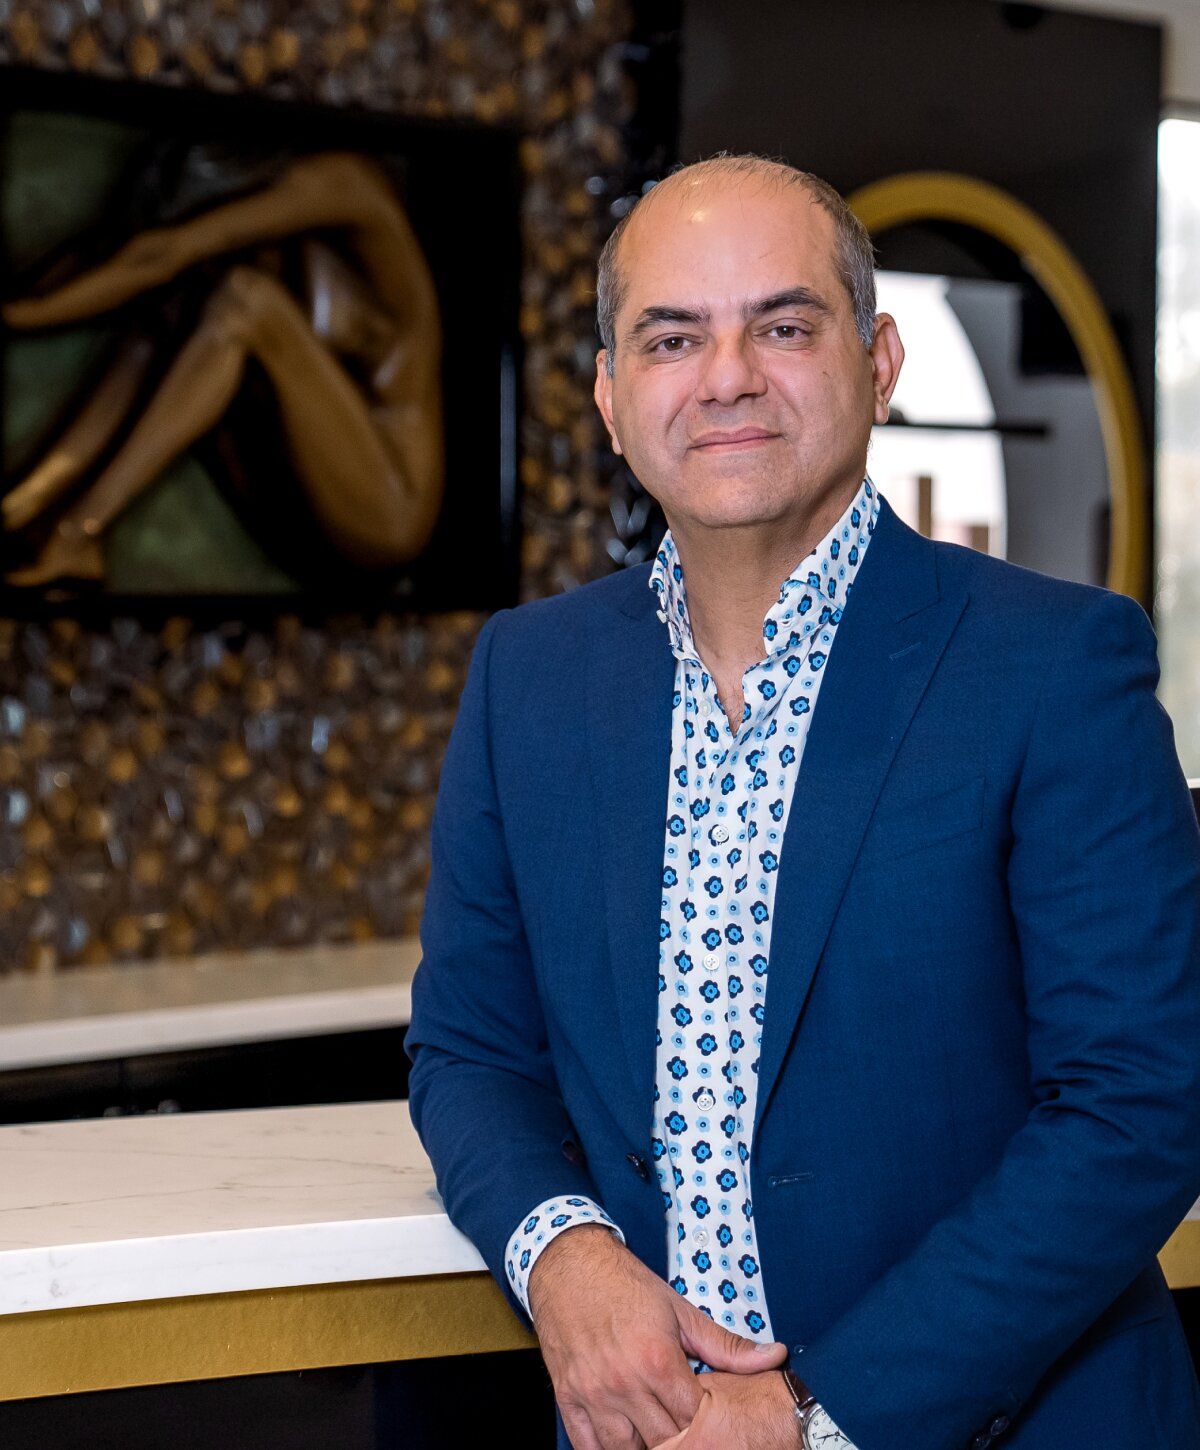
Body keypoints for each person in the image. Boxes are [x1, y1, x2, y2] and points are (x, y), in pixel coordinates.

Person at [406, 153, 1200, 1449]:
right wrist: (566, 1257)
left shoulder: (1052, 662)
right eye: (672, 337)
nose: (726, 376)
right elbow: (471, 1051)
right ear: (612, 394)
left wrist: (810, 1411)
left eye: (782, 325)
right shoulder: (529, 674)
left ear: (878, 360)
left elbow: (1138, 1105)